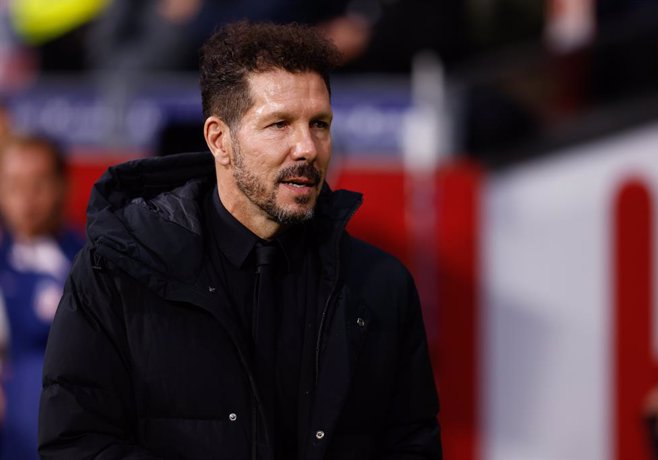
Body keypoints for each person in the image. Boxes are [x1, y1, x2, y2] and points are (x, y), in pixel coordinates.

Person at [38, 21, 441, 459]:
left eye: (320, 124)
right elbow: (75, 444)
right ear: (219, 140)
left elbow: (412, 445)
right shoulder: (115, 271)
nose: (307, 147)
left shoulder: (381, 286)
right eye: (280, 124)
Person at [0, 135, 83, 460]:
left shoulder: (91, 260)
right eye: (14, 185)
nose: (26, 199)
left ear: (63, 186)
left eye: (39, 184)